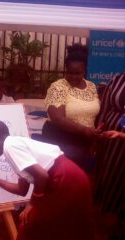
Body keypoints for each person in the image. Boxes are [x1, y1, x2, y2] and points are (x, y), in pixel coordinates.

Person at [0, 120, 95, 240]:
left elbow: (42, 176)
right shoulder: (15, 145)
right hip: (70, 179)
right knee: (61, 227)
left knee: (31, 225)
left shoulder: (10, 146)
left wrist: (32, 204)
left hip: (66, 180)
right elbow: (21, 190)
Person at [94, 45, 125, 240]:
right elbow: (106, 107)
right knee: (111, 178)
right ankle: (108, 221)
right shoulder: (117, 80)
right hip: (112, 144)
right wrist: (100, 127)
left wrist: (121, 133)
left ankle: (124, 225)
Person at [42, 43, 100, 171]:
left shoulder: (91, 86)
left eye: (78, 73)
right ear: (65, 69)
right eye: (70, 73)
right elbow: (58, 119)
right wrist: (85, 130)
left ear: (85, 70)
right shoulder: (58, 87)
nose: (73, 77)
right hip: (62, 142)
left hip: (85, 144)